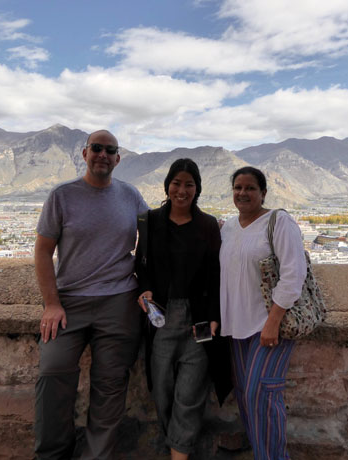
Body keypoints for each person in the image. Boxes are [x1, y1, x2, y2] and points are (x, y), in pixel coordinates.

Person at [33, 129, 148, 460]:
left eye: (110, 150)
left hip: (119, 302)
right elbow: (42, 252)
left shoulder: (130, 195)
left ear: (118, 158)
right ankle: (52, 454)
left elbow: (157, 232)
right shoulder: (63, 196)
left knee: (110, 385)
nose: (103, 154)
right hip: (70, 302)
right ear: (84, 154)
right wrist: (51, 304)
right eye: (96, 148)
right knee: (53, 373)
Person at [135, 158, 232, 459]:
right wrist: (144, 290)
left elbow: (217, 273)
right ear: (167, 185)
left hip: (197, 319)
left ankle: (180, 454)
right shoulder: (149, 220)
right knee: (162, 389)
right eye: (176, 182)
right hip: (162, 317)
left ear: (197, 189)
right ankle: (176, 442)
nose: (182, 189)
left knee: (190, 394)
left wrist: (215, 316)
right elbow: (141, 264)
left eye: (189, 184)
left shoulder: (207, 226)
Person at [219, 166, 307, 460]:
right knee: (246, 397)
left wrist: (274, 320)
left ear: (263, 193)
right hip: (236, 326)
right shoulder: (229, 228)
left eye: (250, 188)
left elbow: (294, 273)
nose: (243, 193)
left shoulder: (279, 222)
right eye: (238, 188)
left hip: (268, 325)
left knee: (263, 395)